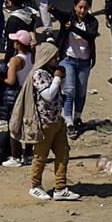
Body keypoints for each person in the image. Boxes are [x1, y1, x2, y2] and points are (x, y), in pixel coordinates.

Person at [26, 42, 80, 201]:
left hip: (57, 120)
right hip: (45, 123)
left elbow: (60, 91)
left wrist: (61, 77)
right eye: (54, 57)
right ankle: (35, 186)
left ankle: (60, 188)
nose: (57, 59)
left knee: (63, 154)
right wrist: (57, 77)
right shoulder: (38, 74)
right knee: (40, 157)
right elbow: (48, 95)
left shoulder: (50, 72)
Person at [50, 0, 98, 137]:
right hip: (68, 59)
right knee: (69, 90)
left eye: (85, 8)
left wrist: (73, 28)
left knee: (81, 91)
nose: (82, 11)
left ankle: (77, 118)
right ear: (75, 7)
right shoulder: (69, 18)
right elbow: (58, 14)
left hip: (84, 61)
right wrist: (50, 8)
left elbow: (90, 35)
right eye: (80, 7)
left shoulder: (92, 22)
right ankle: (69, 122)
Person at [0, 30, 37, 167]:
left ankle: (15, 156)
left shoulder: (15, 60)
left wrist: (0, 79)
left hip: (17, 93)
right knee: (27, 123)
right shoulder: (32, 55)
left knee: (14, 124)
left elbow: (10, 81)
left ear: (19, 44)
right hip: (29, 91)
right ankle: (28, 154)